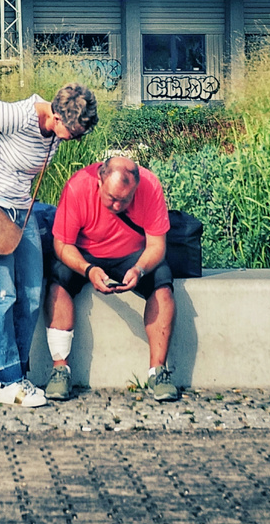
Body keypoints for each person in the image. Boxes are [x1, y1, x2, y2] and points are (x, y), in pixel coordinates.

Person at [0, 83, 98, 408]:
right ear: (56, 116)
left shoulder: (54, 132)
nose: (72, 139)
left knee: (32, 293)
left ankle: (16, 374)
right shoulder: (21, 115)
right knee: (3, 293)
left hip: (21, 208)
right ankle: (7, 382)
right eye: (72, 132)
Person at [44, 155, 180, 402]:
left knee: (162, 281)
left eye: (125, 200)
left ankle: (158, 372)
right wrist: (88, 270)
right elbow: (62, 244)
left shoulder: (151, 186)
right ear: (99, 181)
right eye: (111, 198)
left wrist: (139, 269)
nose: (117, 206)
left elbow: (157, 246)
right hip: (84, 253)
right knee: (58, 279)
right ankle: (60, 369)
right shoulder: (77, 186)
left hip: (133, 254)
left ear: (136, 188)